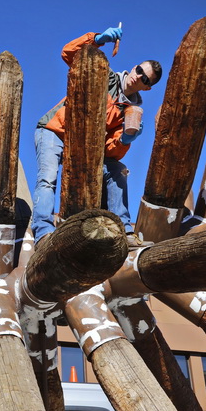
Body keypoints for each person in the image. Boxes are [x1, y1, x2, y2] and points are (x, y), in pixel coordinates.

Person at [31, 26, 162, 247]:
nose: (138, 77)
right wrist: (97, 40)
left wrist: (125, 140)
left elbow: (110, 152)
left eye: (145, 79)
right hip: (55, 131)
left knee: (117, 170)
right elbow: (69, 54)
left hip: (85, 148)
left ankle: (125, 232)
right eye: (139, 70)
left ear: (147, 88)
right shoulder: (104, 75)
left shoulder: (131, 111)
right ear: (133, 68)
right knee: (48, 178)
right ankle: (43, 233)